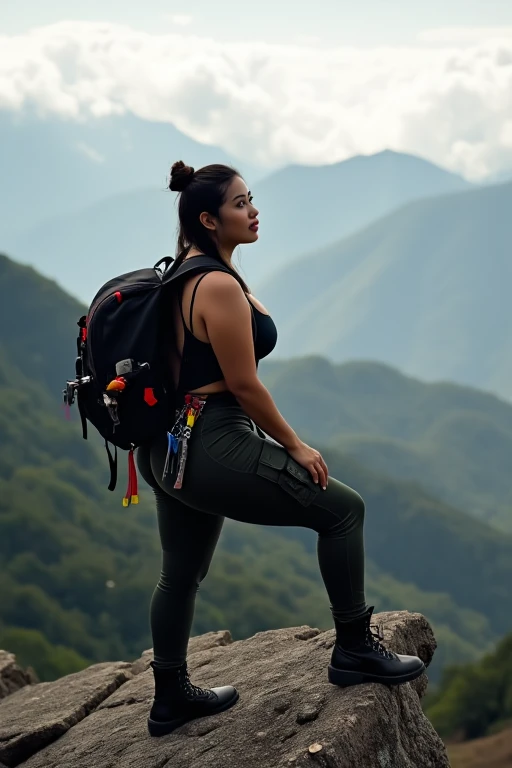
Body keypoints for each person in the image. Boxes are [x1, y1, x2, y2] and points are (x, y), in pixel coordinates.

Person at [137, 161, 425, 737]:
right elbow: (244, 386)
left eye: (252, 199)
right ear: (207, 218)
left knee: (180, 574)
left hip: (168, 447)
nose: (254, 210)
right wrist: (293, 445)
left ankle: (169, 696)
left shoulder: (186, 274)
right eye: (241, 203)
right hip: (212, 439)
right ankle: (353, 650)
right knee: (344, 511)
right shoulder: (216, 284)